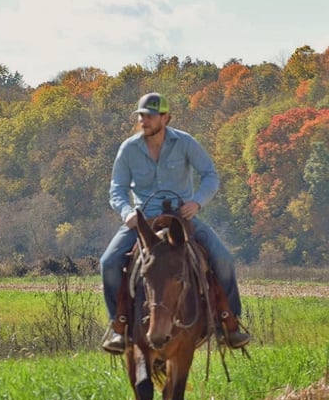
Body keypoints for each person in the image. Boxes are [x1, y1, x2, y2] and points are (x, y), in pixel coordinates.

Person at [100, 92, 250, 353]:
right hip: (143, 222)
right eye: (140, 116)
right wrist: (127, 214)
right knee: (108, 262)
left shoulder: (185, 143)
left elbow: (210, 176)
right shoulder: (128, 148)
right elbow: (117, 189)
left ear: (165, 118)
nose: (143, 121)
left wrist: (197, 202)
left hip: (182, 218)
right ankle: (119, 327)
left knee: (223, 258)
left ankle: (230, 323)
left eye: (149, 116)